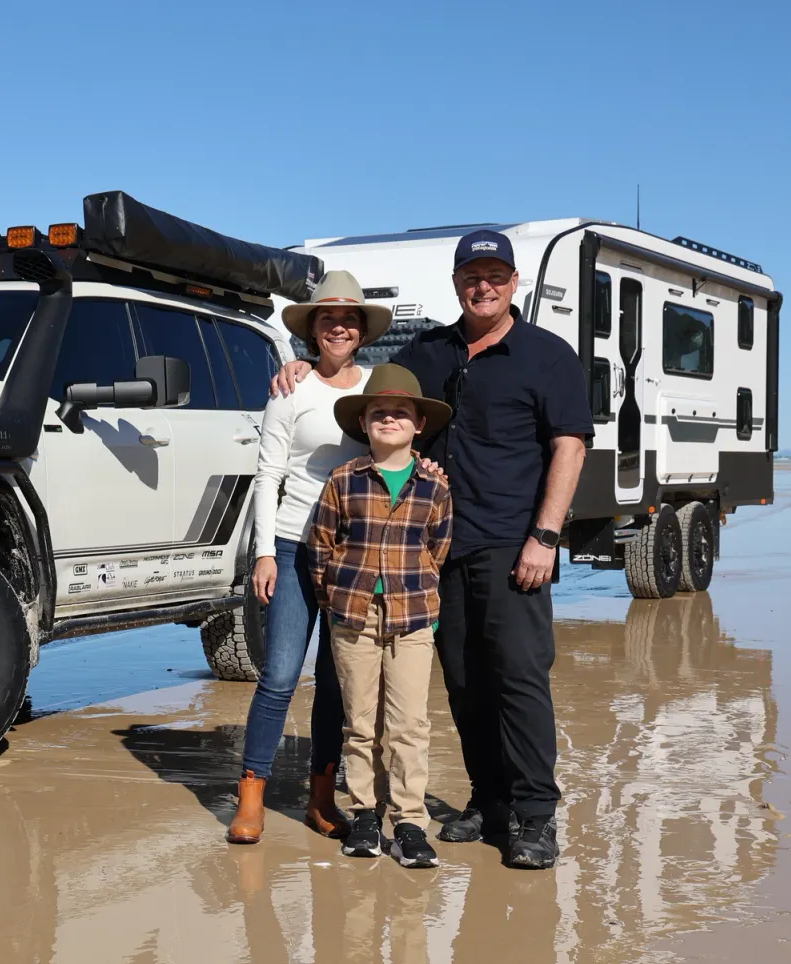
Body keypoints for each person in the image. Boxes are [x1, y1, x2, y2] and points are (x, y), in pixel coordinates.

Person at [273, 229, 592, 869]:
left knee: (520, 679)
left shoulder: (547, 356)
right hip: (434, 551)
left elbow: (569, 446)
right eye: (472, 276)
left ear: (514, 283)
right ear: (456, 284)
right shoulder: (429, 351)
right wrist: (309, 364)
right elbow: (369, 390)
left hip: (512, 544)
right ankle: (489, 800)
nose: (484, 286)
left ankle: (534, 815)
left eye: (496, 275)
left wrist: (545, 536)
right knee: (465, 681)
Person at [226, 271, 390, 845]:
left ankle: (321, 798)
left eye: (349, 318)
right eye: (327, 318)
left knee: (334, 681)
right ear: (312, 330)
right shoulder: (288, 389)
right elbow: (267, 474)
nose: (338, 326)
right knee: (277, 675)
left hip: (354, 552)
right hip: (295, 544)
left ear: (362, 330)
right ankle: (252, 795)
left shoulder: (377, 388)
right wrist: (264, 554)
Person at [308, 365, 452, 868]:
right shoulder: (344, 480)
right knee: (360, 724)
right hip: (353, 617)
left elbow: (438, 549)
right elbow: (321, 547)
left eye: (400, 413)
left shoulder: (434, 487)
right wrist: (336, 602)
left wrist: (424, 608)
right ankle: (364, 813)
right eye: (378, 413)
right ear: (364, 424)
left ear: (418, 426)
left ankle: (410, 821)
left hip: (413, 620)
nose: (389, 419)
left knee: (411, 723)